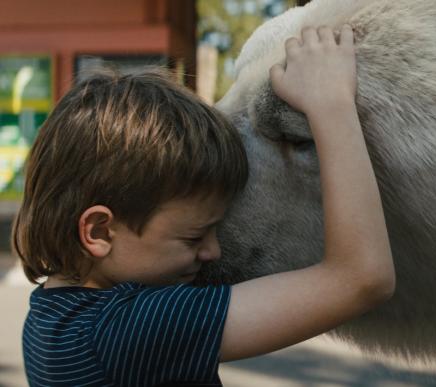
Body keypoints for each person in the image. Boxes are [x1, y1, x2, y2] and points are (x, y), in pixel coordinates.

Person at [16, 24, 394, 386]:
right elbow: (361, 279)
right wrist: (332, 105)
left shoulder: (49, 315)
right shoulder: (128, 331)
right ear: (99, 231)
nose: (212, 251)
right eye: (193, 237)